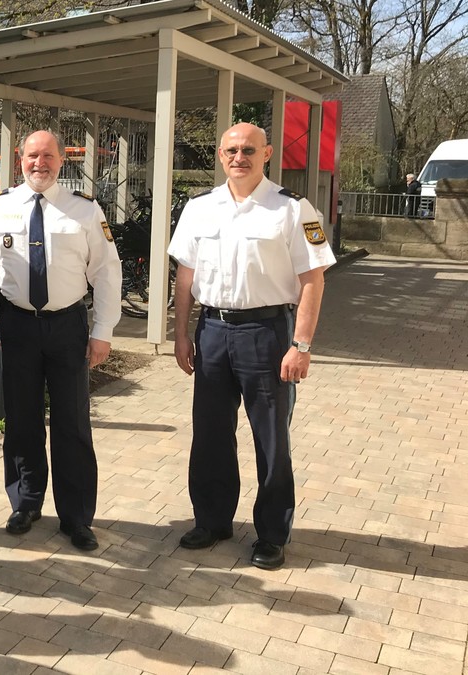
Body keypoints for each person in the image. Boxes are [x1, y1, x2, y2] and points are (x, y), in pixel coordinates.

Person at [168, 122, 335, 571]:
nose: (238, 157)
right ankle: (213, 520)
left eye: (248, 150)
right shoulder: (200, 208)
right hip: (213, 333)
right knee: (210, 434)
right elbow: (185, 276)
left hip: (267, 335)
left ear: (267, 153)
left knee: (271, 439)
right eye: (230, 150)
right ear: (220, 155)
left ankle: (271, 534)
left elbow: (313, 279)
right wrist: (181, 333)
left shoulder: (293, 209)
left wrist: (301, 344)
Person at [0, 130, 122, 552]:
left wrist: (103, 332)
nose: (39, 163)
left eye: (48, 156)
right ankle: (25, 501)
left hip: (68, 327)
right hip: (17, 326)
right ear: (19, 158)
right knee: (21, 419)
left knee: (72, 423)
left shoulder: (85, 211)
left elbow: (107, 273)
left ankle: (76, 517)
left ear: (62, 160)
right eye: (31, 156)